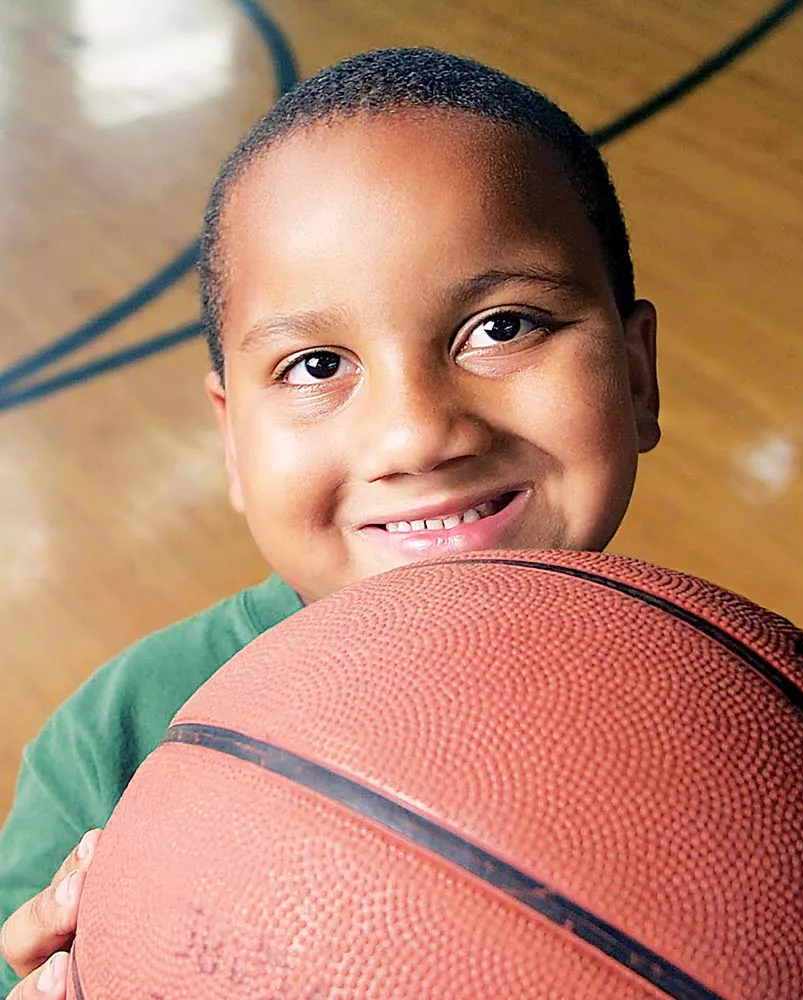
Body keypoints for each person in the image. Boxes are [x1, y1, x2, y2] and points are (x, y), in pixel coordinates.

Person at [0, 47, 660, 999]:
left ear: (636, 377)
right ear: (232, 445)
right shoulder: (112, 748)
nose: (415, 434)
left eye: (504, 327)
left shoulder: (759, 715)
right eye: (316, 367)